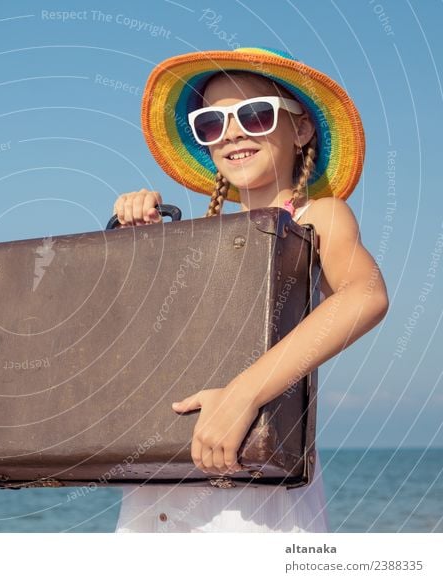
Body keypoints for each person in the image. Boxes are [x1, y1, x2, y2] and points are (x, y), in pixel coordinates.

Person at [111, 47, 389, 533]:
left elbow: (365, 296)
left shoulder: (317, 216)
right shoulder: (193, 234)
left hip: (255, 484)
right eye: (212, 123)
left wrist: (241, 395)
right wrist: (141, 235)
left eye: (256, 114)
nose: (233, 132)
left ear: (300, 129)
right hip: (160, 478)